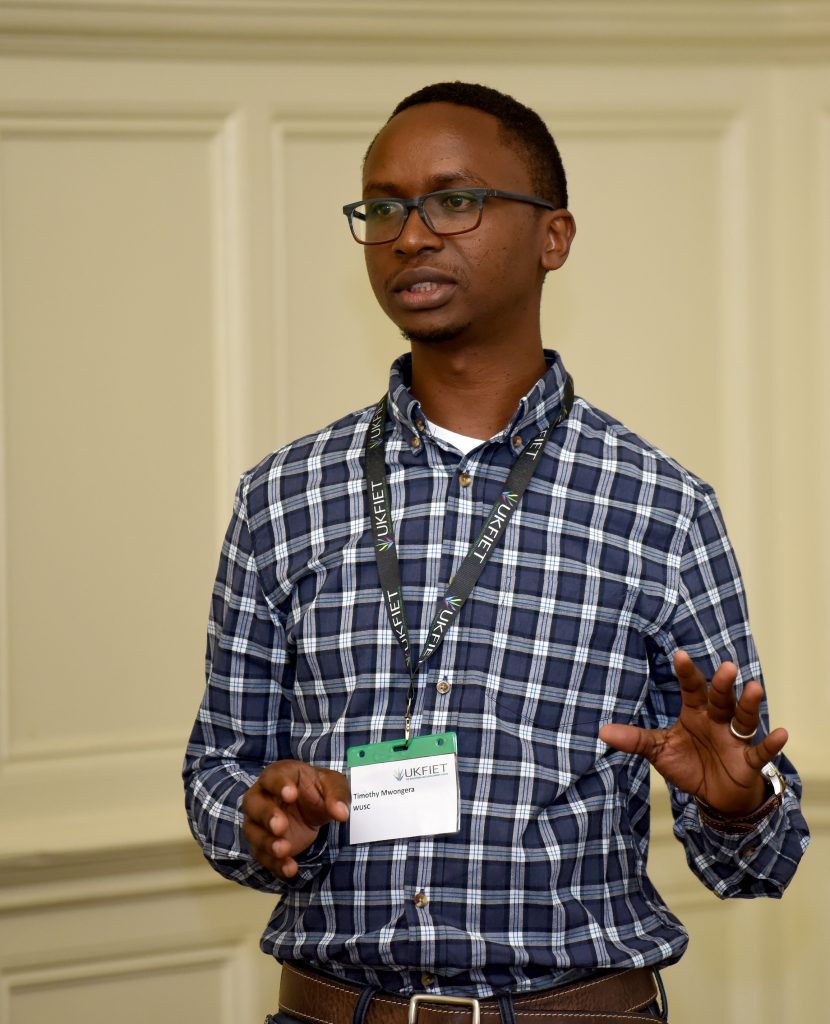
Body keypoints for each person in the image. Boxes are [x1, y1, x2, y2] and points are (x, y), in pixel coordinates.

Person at [183, 82, 809, 1023]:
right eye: (384, 206)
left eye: (454, 200)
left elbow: (764, 863)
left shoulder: (661, 507)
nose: (411, 234)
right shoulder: (284, 495)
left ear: (553, 238)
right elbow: (218, 772)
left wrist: (737, 803)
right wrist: (265, 817)